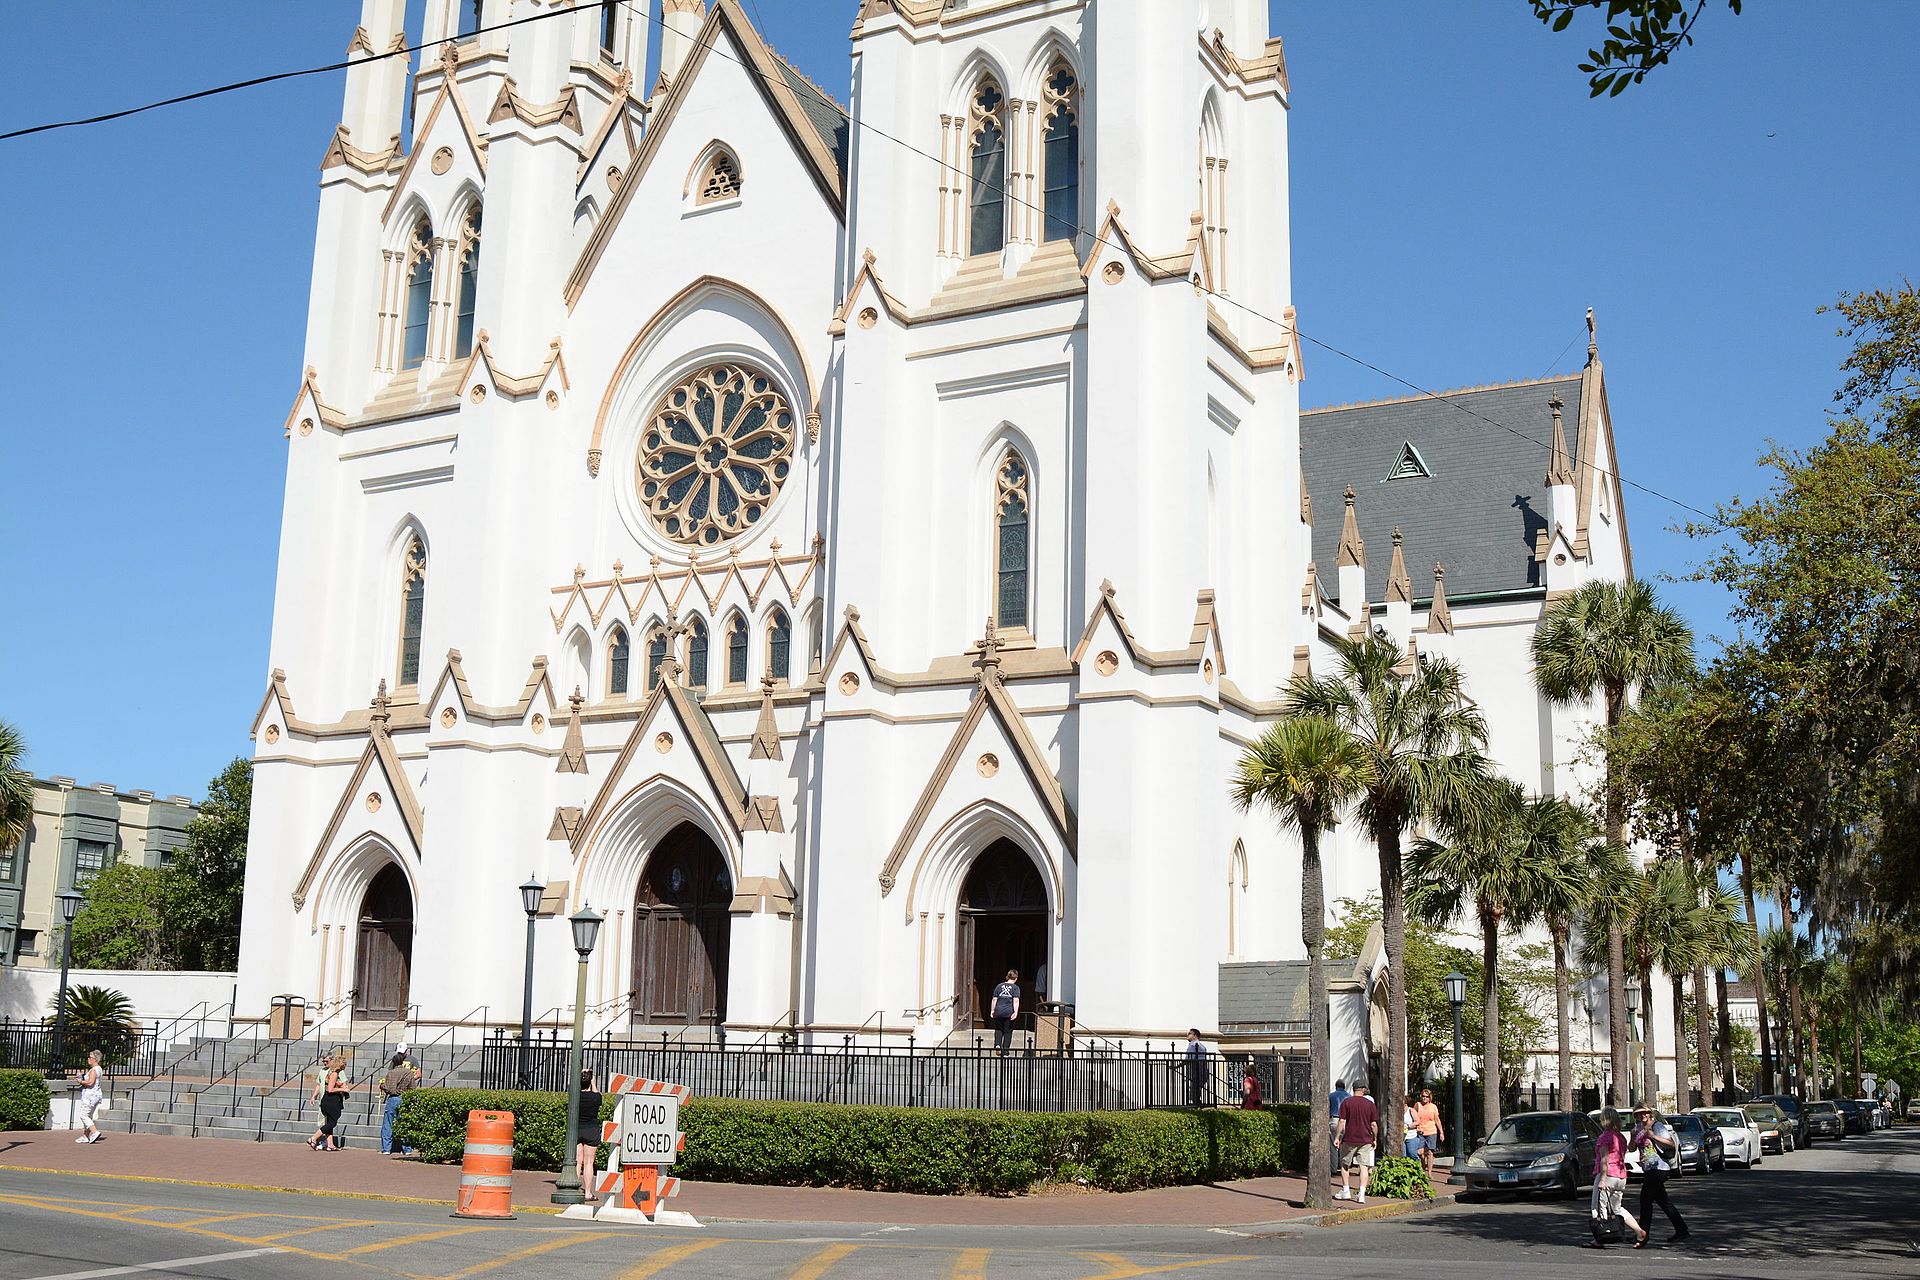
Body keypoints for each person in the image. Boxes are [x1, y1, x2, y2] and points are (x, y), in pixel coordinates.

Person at [1587, 1107, 1646, 1249]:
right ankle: (1638, 1230)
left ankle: (1602, 1237)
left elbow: (1604, 1160)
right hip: (1621, 1175)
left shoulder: (1605, 1137)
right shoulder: (1620, 1137)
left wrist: (1602, 1179)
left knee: (1597, 1208)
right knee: (1617, 1208)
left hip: (1608, 1176)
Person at [1631, 1105, 1688, 1244]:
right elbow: (1632, 1148)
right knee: (1663, 1202)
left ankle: (1643, 1234)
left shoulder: (1657, 1126)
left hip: (1659, 1167)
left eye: (1644, 1112)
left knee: (1645, 1200)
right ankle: (1682, 1230)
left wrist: (1653, 1136)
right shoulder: (1638, 1128)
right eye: (1639, 1114)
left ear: (1649, 1113)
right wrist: (1633, 1137)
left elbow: (1671, 1144)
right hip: (1648, 1168)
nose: (1642, 1115)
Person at [1334, 1078, 1378, 1204]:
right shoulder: (1370, 1104)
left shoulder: (1346, 1103)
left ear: (1353, 1089)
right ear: (1363, 1089)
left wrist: (1337, 1137)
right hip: (1365, 1139)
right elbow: (1373, 1124)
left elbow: (1342, 1121)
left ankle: (1346, 1190)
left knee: (1344, 1164)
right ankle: (1361, 1194)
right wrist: (1374, 1138)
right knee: (1363, 1166)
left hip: (1349, 1138)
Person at [307, 1052, 350, 1151]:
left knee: (330, 1122)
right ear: (340, 1064)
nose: (345, 1065)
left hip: (328, 1100)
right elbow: (330, 1089)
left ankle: (330, 1144)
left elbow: (333, 1084)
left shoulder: (333, 1073)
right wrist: (343, 1090)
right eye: (344, 1063)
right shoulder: (334, 1073)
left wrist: (339, 1085)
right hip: (331, 1100)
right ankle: (314, 1138)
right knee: (332, 1123)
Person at [378, 1051, 417, 1155]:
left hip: (392, 1098)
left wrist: (382, 1086)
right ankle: (407, 1149)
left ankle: (386, 1148)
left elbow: (388, 1088)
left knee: (388, 1123)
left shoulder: (391, 1073)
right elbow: (413, 1088)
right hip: (404, 1098)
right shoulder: (408, 1073)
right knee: (404, 1123)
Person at [576, 1070, 604, 1202]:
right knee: (588, 1163)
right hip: (591, 1130)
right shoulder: (595, 1097)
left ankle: (574, 1189)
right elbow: (598, 1095)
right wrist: (593, 1082)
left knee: (577, 1161)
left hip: (577, 1129)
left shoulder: (575, 1096)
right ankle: (587, 1193)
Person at [74, 1049, 106, 1145]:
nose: (88, 1059)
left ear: (94, 1059)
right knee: (89, 1116)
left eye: (90, 1057)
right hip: (95, 1095)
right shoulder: (99, 1069)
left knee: (83, 1115)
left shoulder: (94, 1070)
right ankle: (85, 1135)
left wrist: (80, 1081)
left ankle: (94, 1131)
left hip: (90, 1096)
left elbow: (90, 1082)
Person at [1411, 1087, 1444, 1177]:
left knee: (1430, 1152)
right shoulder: (1417, 1105)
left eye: (1426, 1096)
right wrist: (1415, 1127)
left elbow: (1437, 1120)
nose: (1424, 1098)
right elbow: (1413, 1117)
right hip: (1420, 1131)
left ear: (1430, 1097)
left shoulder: (1433, 1107)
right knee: (1420, 1152)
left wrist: (1441, 1132)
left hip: (1431, 1131)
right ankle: (1423, 1166)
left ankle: (1429, 1172)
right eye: (1423, 1096)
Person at [989, 969, 1021, 1056]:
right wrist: (1015, 1012)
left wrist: (992, 1010)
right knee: (1008, 1032)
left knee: (998, 1029)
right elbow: (1016, 1000)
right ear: (1016, 978)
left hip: (998, 1011)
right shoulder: (1015, 988)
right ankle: (1005, 1051)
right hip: (1008, 1012)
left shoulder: (999, 986)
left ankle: (998, 1044)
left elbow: (994, 999)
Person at [1185, 1029, 1207, 1108]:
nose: (1187, 1035)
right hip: (1201, 1070)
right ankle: (1198, 1104)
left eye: (1190, 1034)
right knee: (1196, 1089)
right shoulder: (1201, 1046)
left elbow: (1189, 1058)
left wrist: (1177, 1066)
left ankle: (1197, 1105)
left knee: (1194, 1090)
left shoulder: (1193, 1045)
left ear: (1195, 1036)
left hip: (1197, 1070)